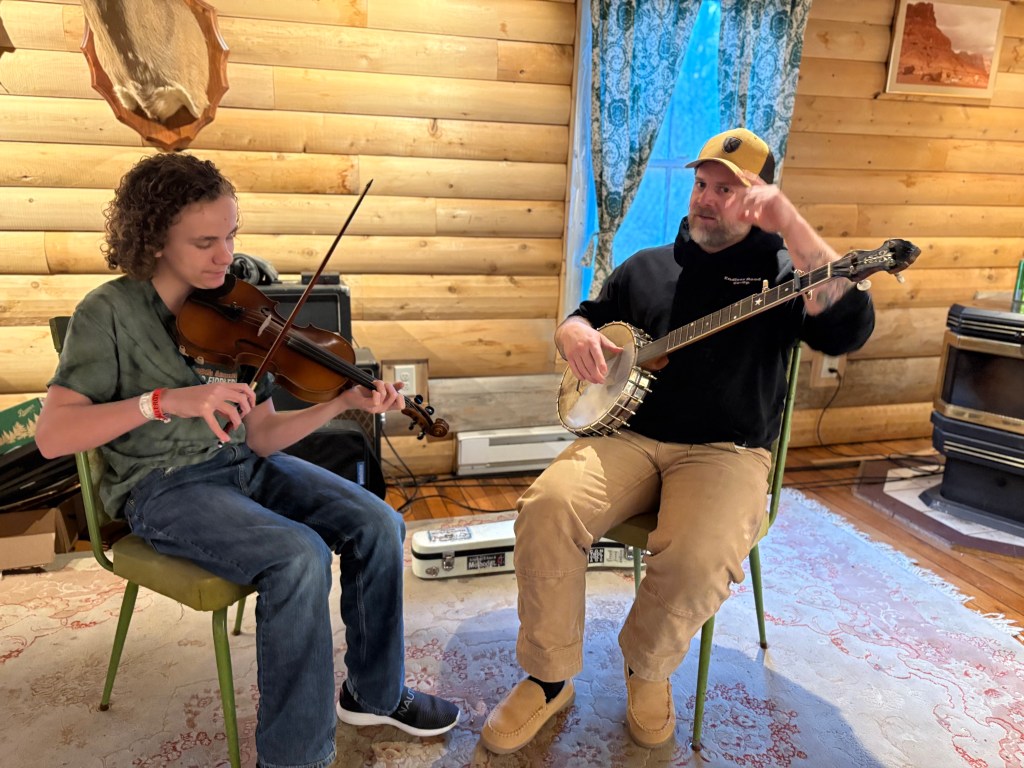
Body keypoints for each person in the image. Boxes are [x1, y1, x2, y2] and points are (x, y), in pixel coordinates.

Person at [34, 152, 460, 768]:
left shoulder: (233, 306)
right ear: (154, 240)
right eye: (204, 241)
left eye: (230, 235)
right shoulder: (108, 314)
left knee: (379, 522)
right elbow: (53, 435)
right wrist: (163, 401)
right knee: (298, 555)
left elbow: (259, 437)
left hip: (243, 468)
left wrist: (341, 401)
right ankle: (295, 756)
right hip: (165, 488)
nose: (224, 255)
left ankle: (374, 693)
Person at [480, 128, 875, 753]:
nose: (707, 199)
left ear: (758, 201)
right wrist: (570, 330)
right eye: (702, 184)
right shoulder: (648, 267)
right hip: (630, 437)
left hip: (728, 450)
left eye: (728, 190)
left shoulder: (783, 274)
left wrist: (792, 225)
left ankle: (647, 668)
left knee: (696, 557)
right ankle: (550, 676)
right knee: (547, 506)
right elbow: (586, 312)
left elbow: (848, 329)